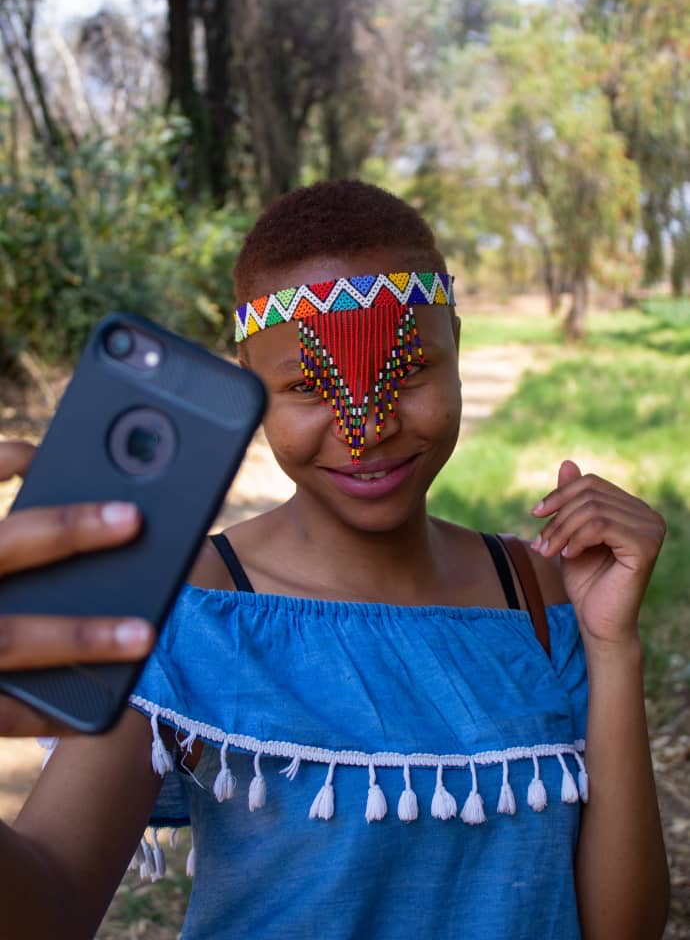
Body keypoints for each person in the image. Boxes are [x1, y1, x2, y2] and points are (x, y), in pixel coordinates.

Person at [0, 180, 669, 939]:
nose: (366, 429)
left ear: (456, 346)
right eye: (309, 386)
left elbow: (623, 929)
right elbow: (47, 909)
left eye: (407, 371)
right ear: (249, 381)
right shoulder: (188, 608)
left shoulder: (540, 597)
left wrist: (613, 646)